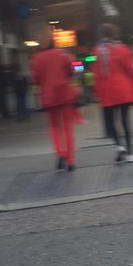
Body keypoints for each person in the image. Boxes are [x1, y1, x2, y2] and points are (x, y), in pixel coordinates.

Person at [93, 24, 133, 163]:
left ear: (102, 34)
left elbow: (96, 74)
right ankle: (131, 154)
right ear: (115, 34)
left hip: (107, 91)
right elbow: (131, 71)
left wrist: (97, 92)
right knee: (125, 122)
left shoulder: (98, 51)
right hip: (123, 90)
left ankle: (119, 146)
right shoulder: (123, 49)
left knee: (109, 123)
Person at [30, 36, 80, 171]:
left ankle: (60, 153)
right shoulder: (63, 54)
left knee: (54, 127)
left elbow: (36, 78)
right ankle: (70, 161)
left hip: (50, 96)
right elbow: (71, 70)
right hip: (65, 94)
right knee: (67, 127)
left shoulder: (37, 58)